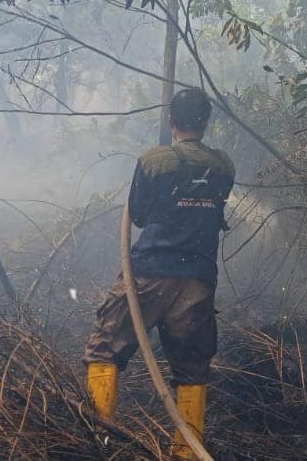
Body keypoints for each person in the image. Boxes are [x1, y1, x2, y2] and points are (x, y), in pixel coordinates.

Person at [84, 87, 235, 458]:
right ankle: (186, 453)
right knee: (192, 366)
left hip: (150, 273)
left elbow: (137, 215)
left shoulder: (154, 160)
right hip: (199, 280)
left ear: (171, 122)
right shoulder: (224, 166)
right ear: (206, 122)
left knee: (105, 348)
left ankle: (95, 443)